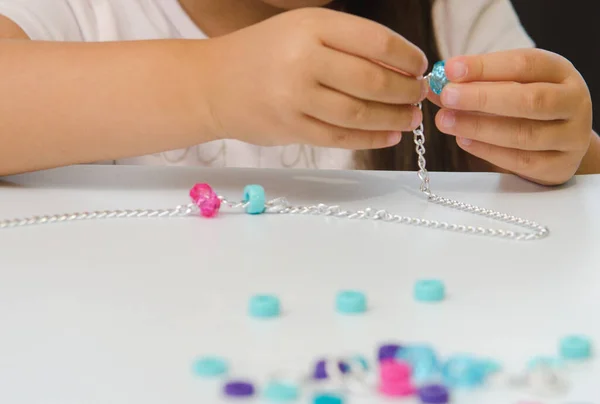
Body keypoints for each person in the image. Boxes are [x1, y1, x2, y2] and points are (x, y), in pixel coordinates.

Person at [0, 0, 597, 186]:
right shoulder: (82, 11)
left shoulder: (448, 14)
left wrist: (564, 147)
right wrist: (208, 86)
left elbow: (577, 188)